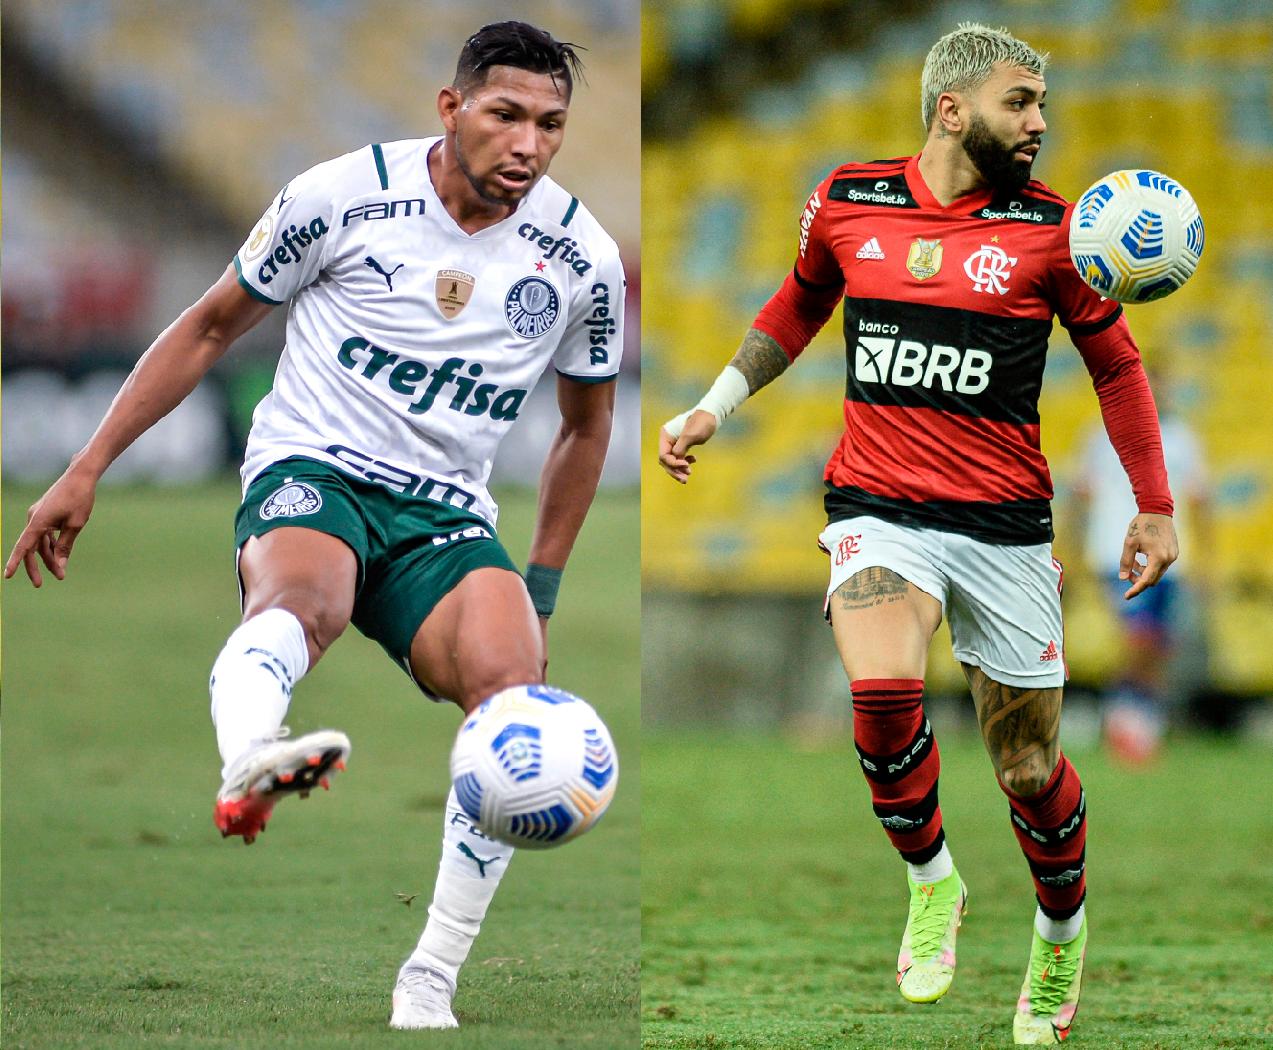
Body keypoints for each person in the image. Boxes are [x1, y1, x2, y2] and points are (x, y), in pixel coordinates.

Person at [6, 21, 624, 1032]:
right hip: (315, 466)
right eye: (506, 114)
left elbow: (586, 426)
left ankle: (428, 980)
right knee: (308, 598)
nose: (528, 143)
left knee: (516, 701)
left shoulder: (579, 259)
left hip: (443, 515)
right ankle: (251, 753)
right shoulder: (339, 197)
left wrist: (541, 586)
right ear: (451, 107)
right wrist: (86, 468)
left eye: (550, 124)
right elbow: (208, 325)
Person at [658, 22, 1177, 1046]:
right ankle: (932, 884)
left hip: (1005, 530)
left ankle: (1059, 931)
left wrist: (1151, 504)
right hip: (877, 507)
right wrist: (713, 403)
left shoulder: (1057, 232)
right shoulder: (849, 196)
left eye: (1041, 105)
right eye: (1019, 102)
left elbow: (1116, 368)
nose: (1039, 122)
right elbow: (796, 305)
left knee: (1025, 767)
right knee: (884, 692)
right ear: (951, 107)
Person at [1073, 368, 1210, 764]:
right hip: (1116, 555)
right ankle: (1123, 723)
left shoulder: (1185, 439)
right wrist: (1070, 550)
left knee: (1157, 646)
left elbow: (1202, 504)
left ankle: (1139, 726)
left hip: (1173, 562)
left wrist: (1207, 562)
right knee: (1141, 639)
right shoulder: (1101, 436)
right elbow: (1080, 497)